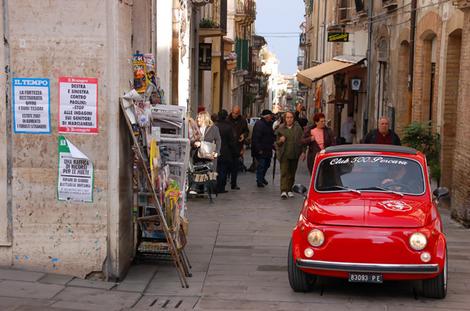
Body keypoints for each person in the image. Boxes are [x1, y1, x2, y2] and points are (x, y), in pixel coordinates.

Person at [275, 111, 306, 199]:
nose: (289, 119)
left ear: (293, 118)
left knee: (292, 173)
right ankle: (283, 191)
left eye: (291, 117)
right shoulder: (281, 128)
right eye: (287, 117)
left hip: (295, 153)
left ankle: (289, 190)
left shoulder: (298, 128)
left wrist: (303, 152)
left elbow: (302, 141)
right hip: (284, 154)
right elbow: (276, 143)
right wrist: (280, 141)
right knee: (284, 173)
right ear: (285, 118)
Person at [215, 110, 238, 194]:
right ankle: (221, 187)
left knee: (217, 169)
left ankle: (216, 186)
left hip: (216, 151)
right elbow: (232, 141)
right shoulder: (228, 127)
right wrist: (235, 152)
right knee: (223, 170)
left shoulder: (215, 126)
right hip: (226, 151)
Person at [251, 109, 275, 187]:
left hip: (268, 148)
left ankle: (262, 177)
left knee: (267, 164)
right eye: (270, 116)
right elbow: (256, 138)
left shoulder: (269, 124)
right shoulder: (259, 124)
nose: (271, 117)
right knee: (261, 165)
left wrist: (274, 145)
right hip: (261, 149)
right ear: (267, 117)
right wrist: (259, 149)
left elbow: (271, 136)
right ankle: (259, 180)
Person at [227, 105, 249, 190]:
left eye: (236, 113)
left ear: (239, 113)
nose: (234, 115)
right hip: (228, 146)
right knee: (227, 165)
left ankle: (234, 183)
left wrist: (244, 135)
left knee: (235, 166)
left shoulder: (243, 121)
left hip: (237, 146)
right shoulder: (227, 120)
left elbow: (246, 131)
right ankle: (224, 181)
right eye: (233, 113)